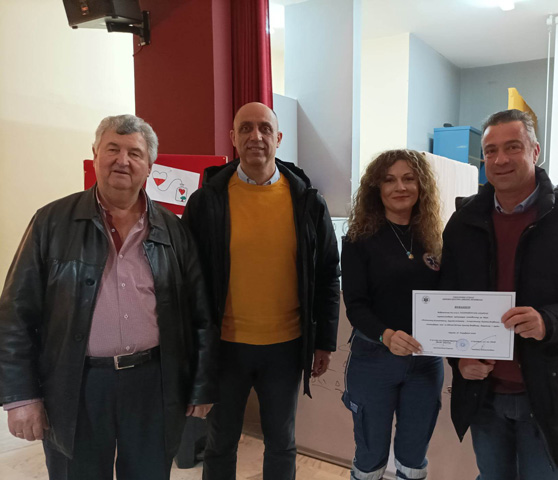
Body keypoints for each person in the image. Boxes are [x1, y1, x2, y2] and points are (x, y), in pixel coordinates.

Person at [0, 114, 219, 480]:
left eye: (135, 153)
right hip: (76, 384)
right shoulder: (51, 223)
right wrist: (20, 396)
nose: (123, 160)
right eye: (113, 149)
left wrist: (200, 386)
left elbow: (201, 316)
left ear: (150, 166)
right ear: (95, 155)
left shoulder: (173, 231)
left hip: (154, 384)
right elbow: (14, 314)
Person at [439, 109, 558, 479]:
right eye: (491, 151)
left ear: (535, 151)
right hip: (484, 394)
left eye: (513, 147)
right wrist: (458, 358)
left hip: (550, 393)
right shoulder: (463, 222)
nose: (500, 159)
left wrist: (549, 322)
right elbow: (448, 299)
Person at [182, 101, 340, 480]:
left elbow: (327, 274)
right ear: (233, 137)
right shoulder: (207, 201)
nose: (256, 136)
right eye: (246, 128)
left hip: (286, 348)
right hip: (225, 348)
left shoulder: (307, 202)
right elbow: (187, 279)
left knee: (282, 442)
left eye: (265, 128)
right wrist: (192, 347)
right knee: (220, 443)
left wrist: (324, 341)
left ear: (278, 138)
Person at [341, 149, 445, 480]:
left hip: (425, 362)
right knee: (370, 455)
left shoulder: (435, 238)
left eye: (409, 178)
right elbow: (355, 305)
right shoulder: (358, 240)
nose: (400, 187)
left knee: (414, 457)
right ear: (377, 188)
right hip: (374, 359)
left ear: (421, 186)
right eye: (389, 180)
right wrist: (386, 335)